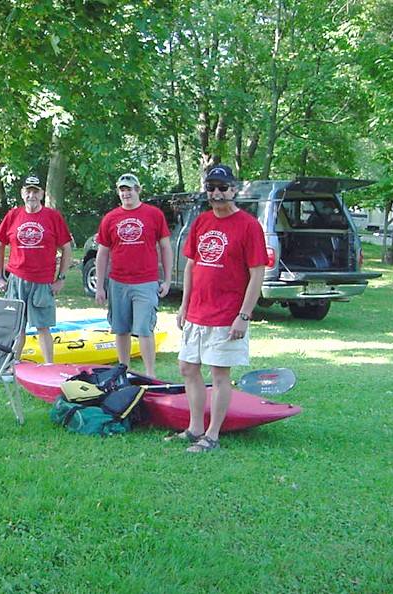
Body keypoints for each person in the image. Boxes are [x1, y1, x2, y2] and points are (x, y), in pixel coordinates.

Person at [169, 164, 267, 453]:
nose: (216, 193)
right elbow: (191, 265)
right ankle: (194, 428)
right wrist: (184, 305)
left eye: (223, 187)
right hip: (197, 311)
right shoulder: (201, 222)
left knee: (219, 374)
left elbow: (257, 272)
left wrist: (244, 315)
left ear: (234, 190)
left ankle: (211, 435)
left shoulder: (249, 225)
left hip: (227, 314)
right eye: (211, 188)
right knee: (187, 368)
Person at [94, 173, 173, 377]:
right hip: (118, 281)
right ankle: (124, 370)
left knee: (145, 329)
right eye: (122, 190)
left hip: (146, 281)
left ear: (138, 190)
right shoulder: (110, 218)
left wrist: (167, 280)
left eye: (129, 189)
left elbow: (165, 247)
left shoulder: (154, 214)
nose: (126, 193)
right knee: (120, 329)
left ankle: (150, 374)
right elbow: (102, 253)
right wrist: (100, 286)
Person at [0, 175, 73, 363]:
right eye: (28, 192)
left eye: (35, 192)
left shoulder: (53, 217)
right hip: (17, 279)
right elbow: (0, 245)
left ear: (41, 194)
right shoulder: (13, 215)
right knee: (17, 326)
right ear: (22, 194)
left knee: (43, 327)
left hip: (43, 281)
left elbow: (66, 248)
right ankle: (12, 364)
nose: (32, 196)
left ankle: (48, 366)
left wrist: (60, 278)